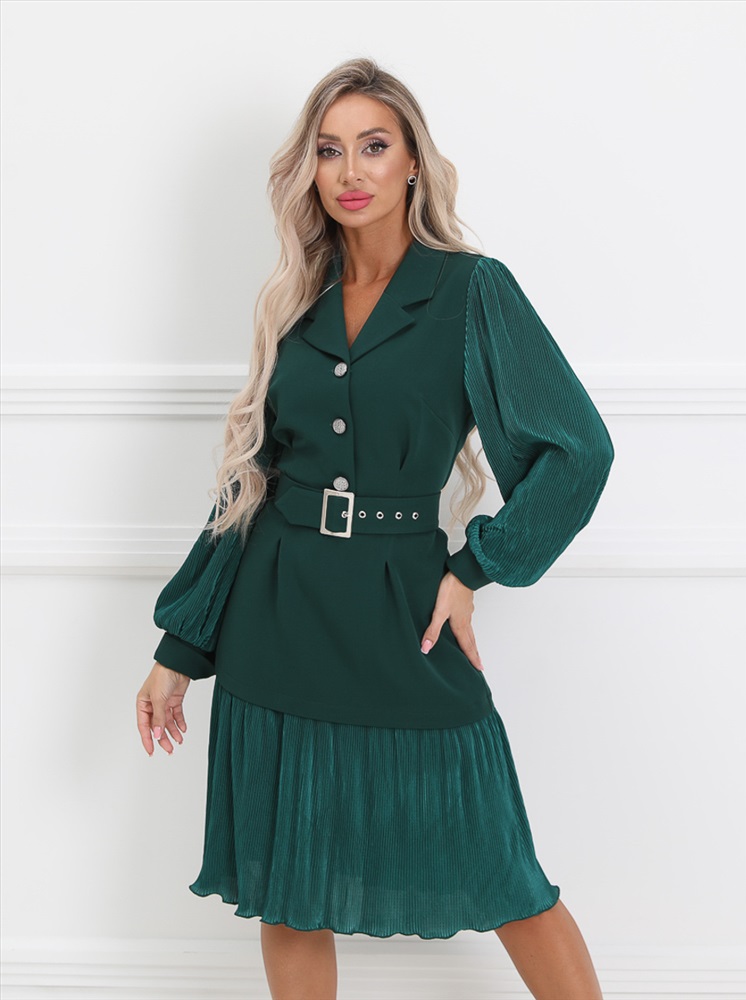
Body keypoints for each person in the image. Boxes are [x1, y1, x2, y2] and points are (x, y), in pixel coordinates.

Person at [136, 57, 614, 1000]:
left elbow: (579, 450)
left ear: (411, 163)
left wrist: (476, 569)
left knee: (508, 877)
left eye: (373, 146)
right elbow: (251, 483)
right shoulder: (295, 299)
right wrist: (179, 649)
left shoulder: (471, 291)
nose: (350, 170)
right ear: (309, 170)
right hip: (278, 619)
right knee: (288, 893)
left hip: (405, 616)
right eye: (329, 150)